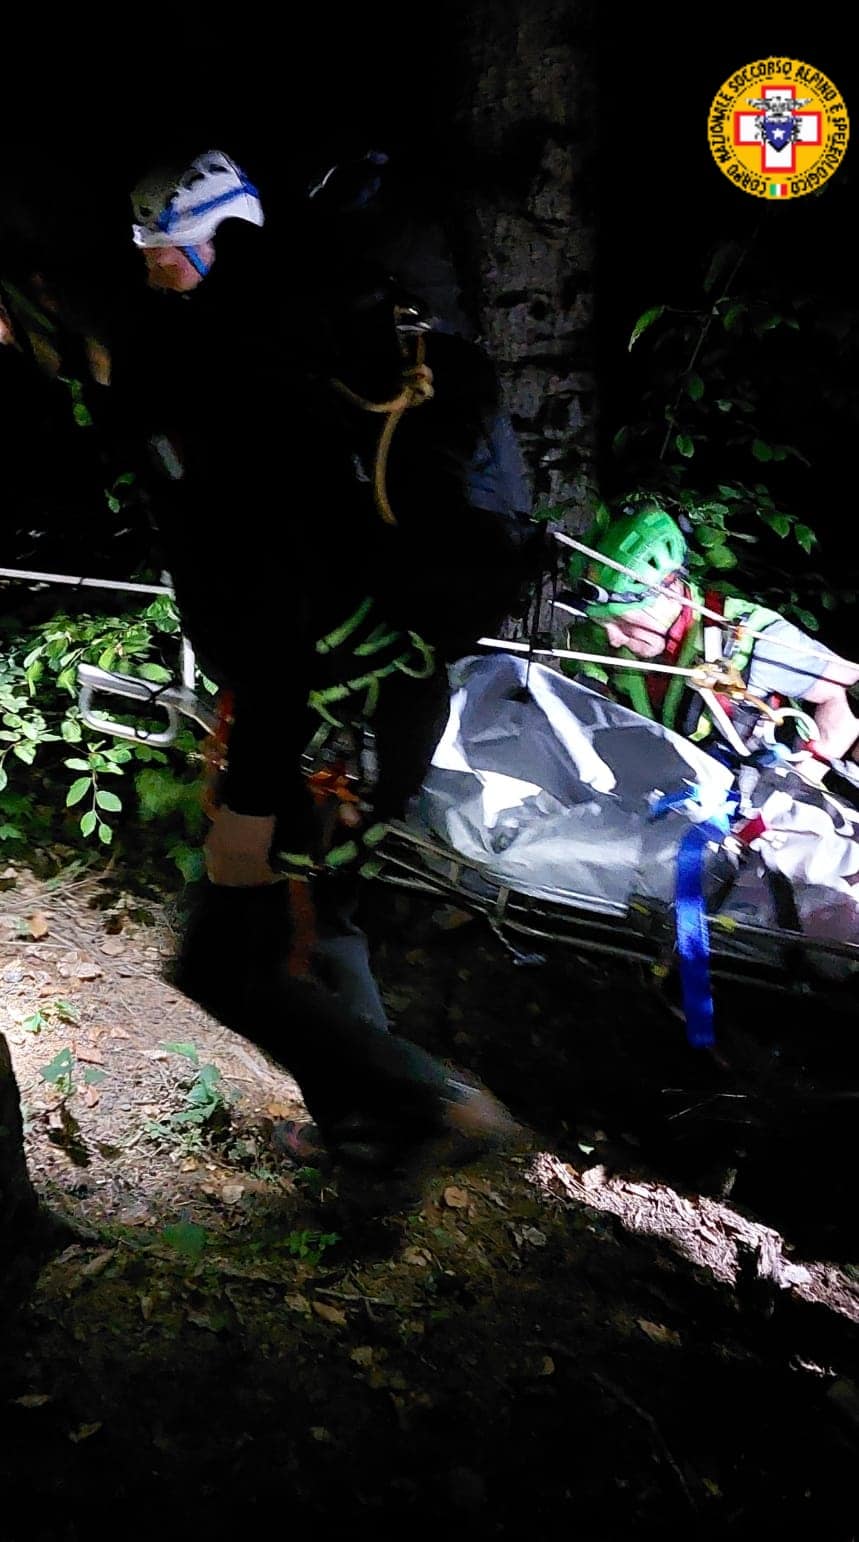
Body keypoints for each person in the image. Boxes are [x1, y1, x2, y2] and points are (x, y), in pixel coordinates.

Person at [107, 147, 542, 1194]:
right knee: (315, 912)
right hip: (378, 691)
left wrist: (249, 799)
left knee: (233, 948)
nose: (155, 273)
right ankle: (374, 1136)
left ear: (213, 246)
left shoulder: (253, 388)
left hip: (335, 708)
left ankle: (434, 1109)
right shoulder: (313, 367)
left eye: (165, 254)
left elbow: (277, 618)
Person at [561, 506, 859, 769]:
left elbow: (840, 696)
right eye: (603, 623)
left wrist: (800, 779)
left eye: (623, 622)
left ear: (668, 593)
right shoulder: (611, 644)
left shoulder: (757, 641)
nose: (613, 638)